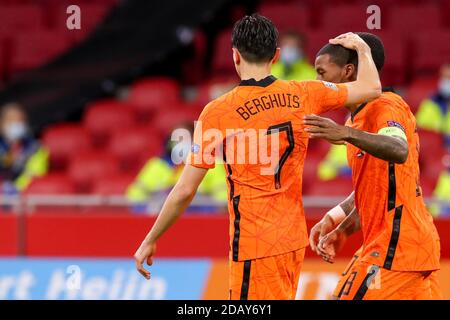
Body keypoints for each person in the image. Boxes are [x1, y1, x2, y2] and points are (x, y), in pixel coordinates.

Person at [134, 14, 381, 300]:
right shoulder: (305, 92)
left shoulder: (217, 113)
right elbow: (372, 88)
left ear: (235, 56)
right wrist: (362, 48)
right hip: (291, 239)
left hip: (254, 244)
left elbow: (185, 190)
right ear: (275, 56)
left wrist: (151, 239)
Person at [307, 32, 442, 300]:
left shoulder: (386, 106)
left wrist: (346, 135)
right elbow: (375, 188)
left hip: (396, 249)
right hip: (405, 248)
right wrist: (337, 222)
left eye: (322, 72)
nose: (318, 82)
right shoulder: (354, 121)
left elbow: (399, 150)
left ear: (348, 71)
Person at [126, 122, 227, 213]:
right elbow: (134, 197)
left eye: (185, 138)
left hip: (199, 222)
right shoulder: (156, 165)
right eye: (176, 138)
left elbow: (223, 202)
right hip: (161, 221)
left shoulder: (213, 164)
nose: (180, 142)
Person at [0, 102, 48, 193]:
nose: (15, 124)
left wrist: (16, 188)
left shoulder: (36, 149)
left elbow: (35, 175)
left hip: (25, 199)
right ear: (2, 124)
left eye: (19, 120)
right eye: (11, 120)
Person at [415, 62, 450, 149]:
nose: (446, 82)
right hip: (434, 152)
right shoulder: (430, 103)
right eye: (444, 77)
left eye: (449, 78)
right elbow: (420, 131)